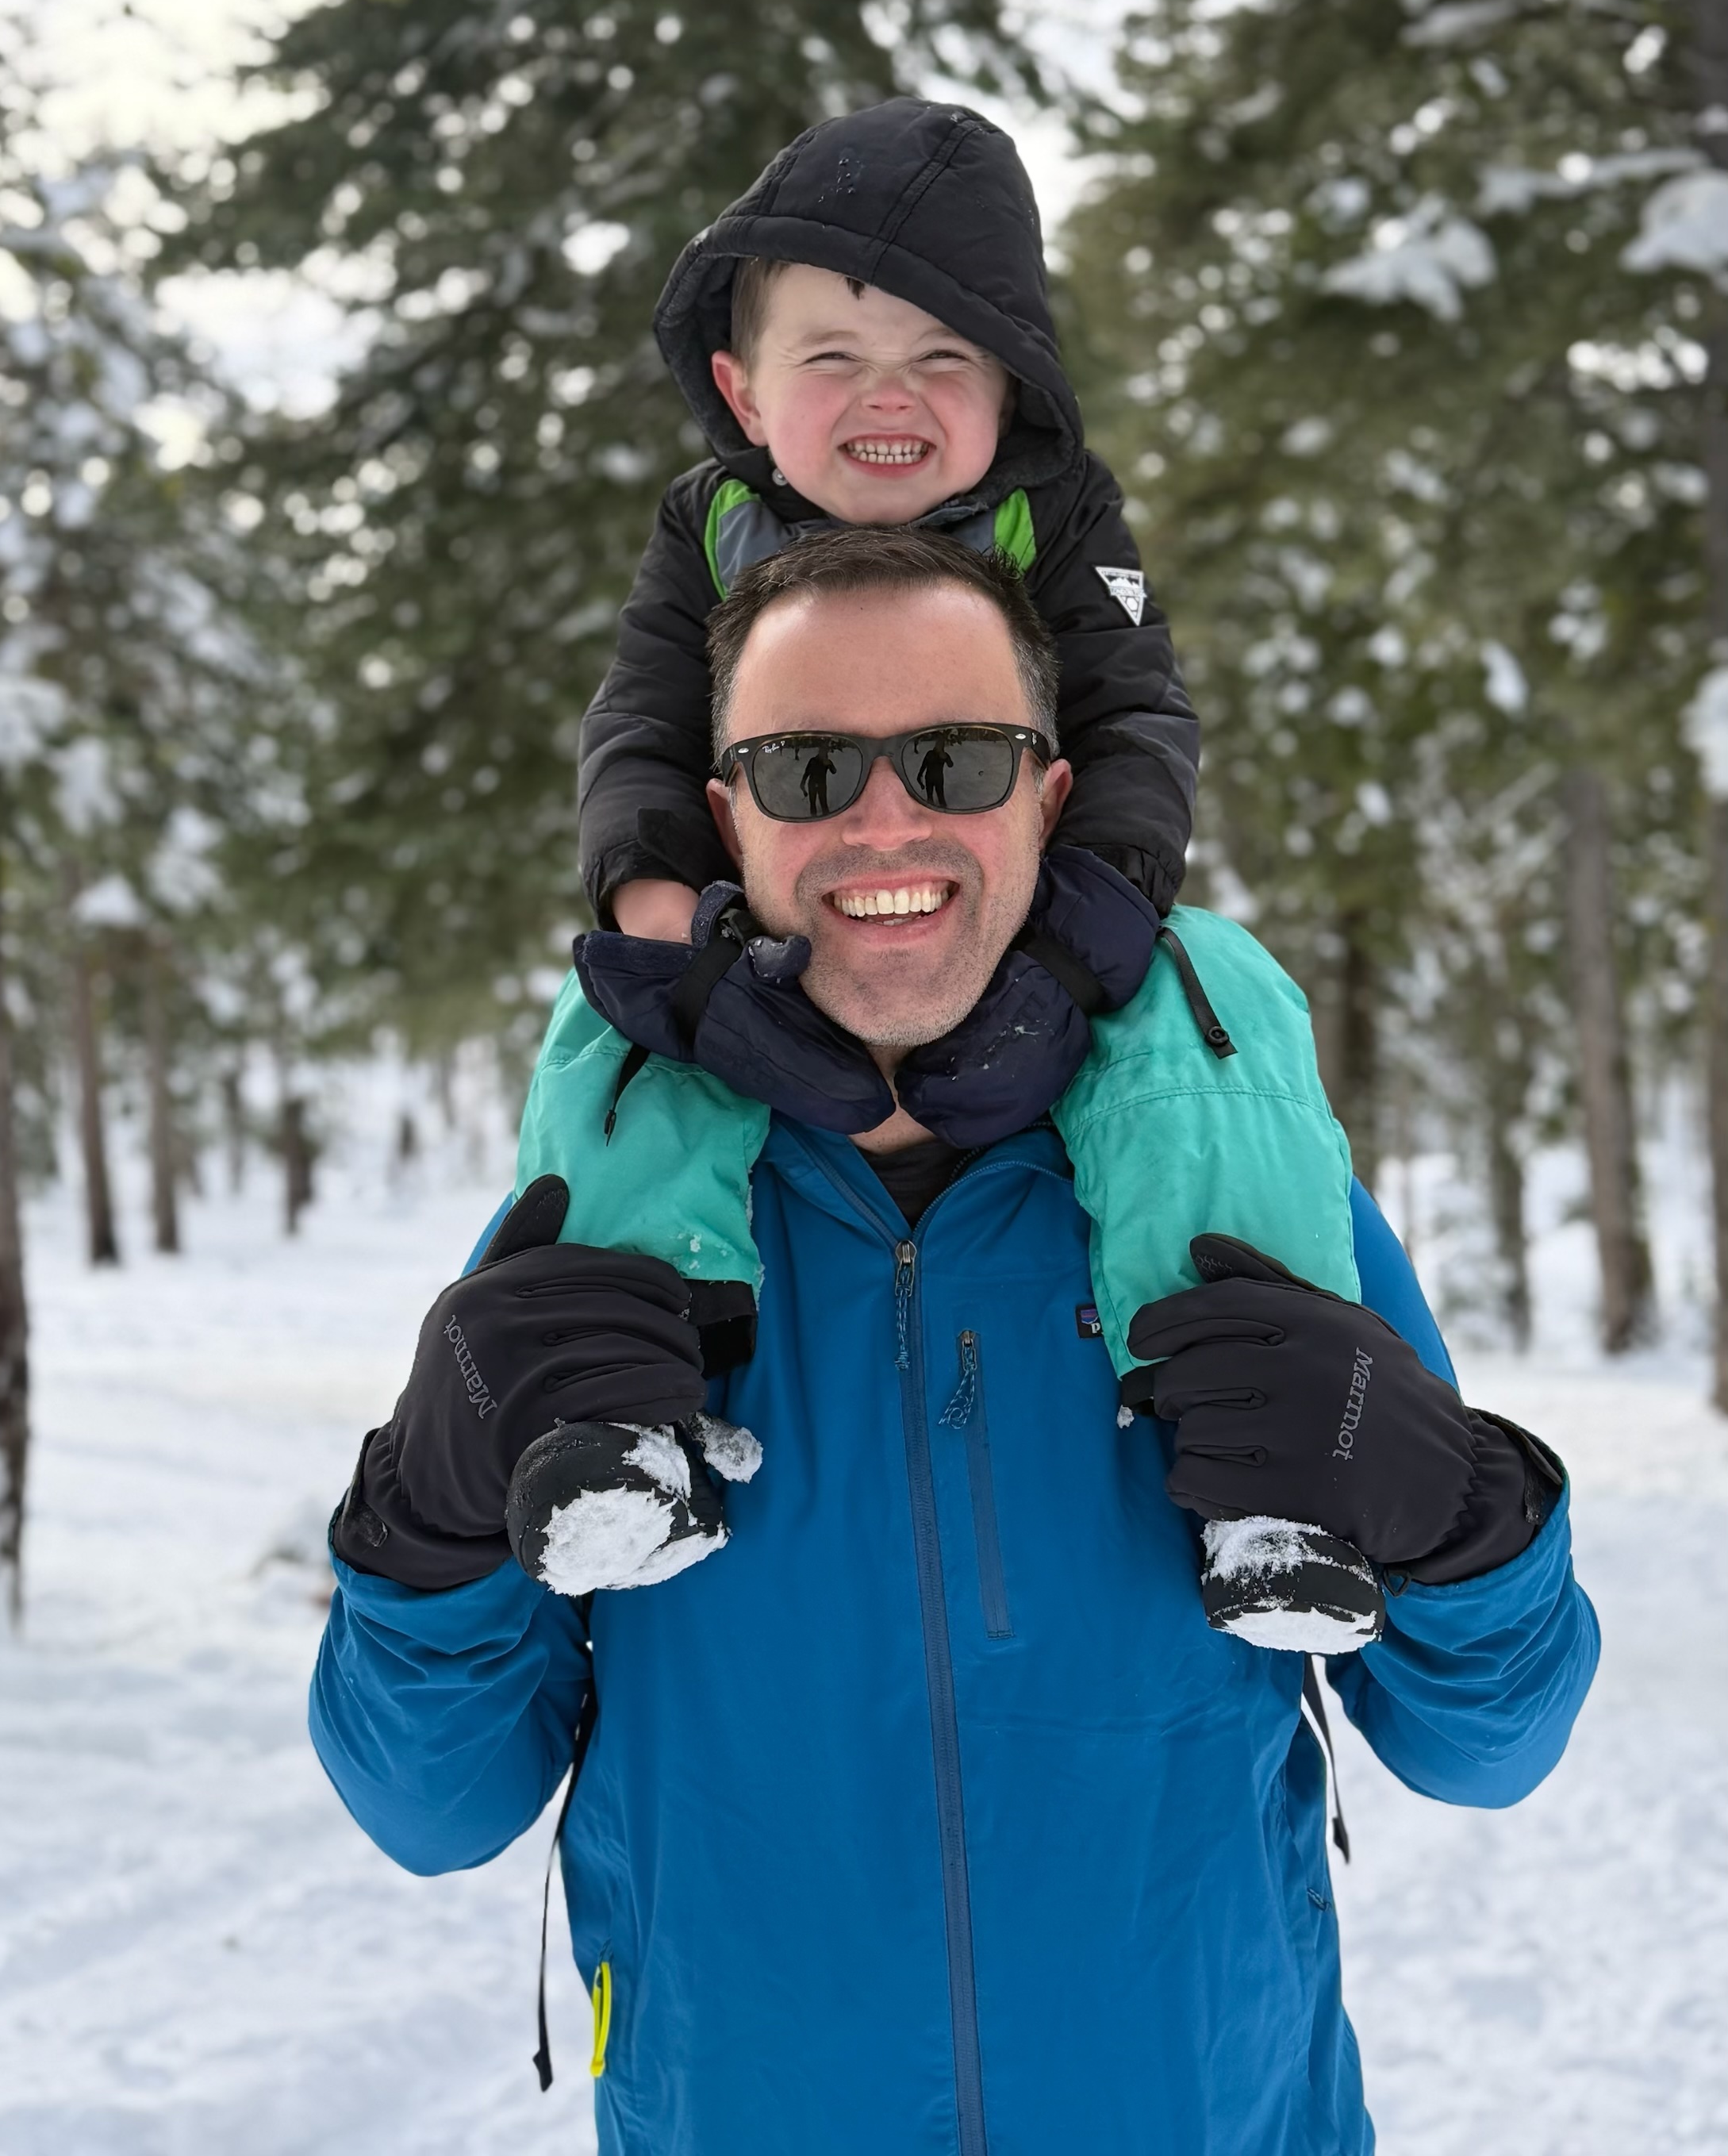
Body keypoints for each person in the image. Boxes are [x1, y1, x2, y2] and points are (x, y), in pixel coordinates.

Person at [317, 533, 1597, 2156]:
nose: (883, 818)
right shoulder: (615, 1245)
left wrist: (1460, 1514)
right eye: (806, 768)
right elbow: (430, 1804)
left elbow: (1494, 1744)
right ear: (726, 823)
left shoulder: (1239, 1199)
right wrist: (426, 1516)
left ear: (1049, 802)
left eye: (955, 757)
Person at [574, 94, 1196, 1102]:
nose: (890, 395)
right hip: (771, 930)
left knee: (1170, 1062)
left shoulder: (1058, 513)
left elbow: (1132, 723)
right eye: (834, 357)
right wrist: (668, 930)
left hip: (1015, 924)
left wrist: (1074, 959)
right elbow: (642, 725)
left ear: (1010, 388)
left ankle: (1205, 1259)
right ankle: (637, 1261)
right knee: (625, 1076)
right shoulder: (712, 521)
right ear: (747, 397)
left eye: (943, 357)